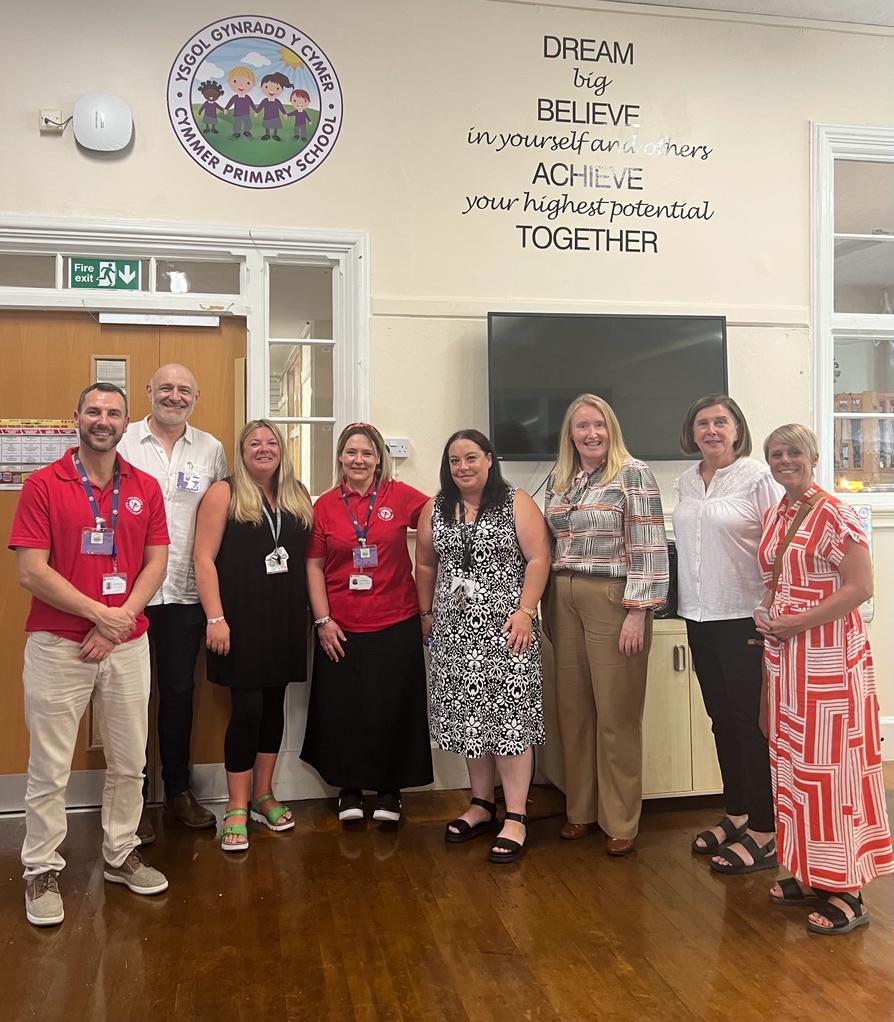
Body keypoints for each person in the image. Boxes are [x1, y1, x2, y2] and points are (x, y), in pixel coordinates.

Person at [9, 382, 171, 927]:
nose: (104, 420)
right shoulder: (42, 484)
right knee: (50, 766)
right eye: (94, 411)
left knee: (130, 760)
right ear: (76, 416)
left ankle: (121, 853)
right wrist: (101, 615)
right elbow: (31, 571)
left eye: (114, 413)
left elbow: (156, 562)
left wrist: (118, 620)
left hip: (127, 643)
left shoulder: (145, 486)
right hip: (59, 644)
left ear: (127, 422)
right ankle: (41, 868)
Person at [755, 424, 893, 934]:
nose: (784, 460)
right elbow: (777, 581)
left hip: (831, 661)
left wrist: (798, 621)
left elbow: (861, 586)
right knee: (796, 769)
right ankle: (814, 874)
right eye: (775, 454)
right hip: (788, 659)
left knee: (833, 769)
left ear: (813, 457)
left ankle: (849, 890)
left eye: (793, 452)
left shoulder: (835, 512)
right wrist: (767, 615)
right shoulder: (776, 513)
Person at [415, 429, 550, 863]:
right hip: (454, 633)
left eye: (471, 457)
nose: (463, 467)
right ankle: (481, 803)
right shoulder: (436, 507)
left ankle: (516, 815)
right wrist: (426, 613)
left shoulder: (516, 501)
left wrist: (525, 611)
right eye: (454, 460)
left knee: (509, 721)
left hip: (508, 631)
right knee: (470, 719)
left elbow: (539, 558)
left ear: (489, 459)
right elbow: (425, 563)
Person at [543, 394, 668, 856]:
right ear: (570, 434)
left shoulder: (633, 473)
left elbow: (650, 543)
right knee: (572, 711)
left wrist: (638, 611)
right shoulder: (561, 479)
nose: (590, 433)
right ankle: (580, 809)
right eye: (581, 426)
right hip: (563, 595)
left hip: (613, 598)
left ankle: (619, 819)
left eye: (598, 424)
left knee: (616, 714)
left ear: (611, 428)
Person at [301, 423, 433, 824]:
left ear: (379, 459)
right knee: (344, 710)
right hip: (340, 625)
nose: (358, 460)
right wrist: (322, 620)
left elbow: (440, 517)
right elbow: (313, 566)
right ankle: (350, 788)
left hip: (397, 619)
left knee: (392, 707)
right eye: (351, 452)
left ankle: (390, 789)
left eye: (367, 453)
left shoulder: (400, 495)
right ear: (340, 458)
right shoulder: (325, 505)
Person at [118, 364, 228, 843]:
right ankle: (132, 801)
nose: (174, 396)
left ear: (195, 397)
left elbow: (219, 517)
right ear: (149, 391)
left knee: (180, 693)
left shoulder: (211, 449)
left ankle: (178, 791)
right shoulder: (122, 441)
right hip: (128, 596)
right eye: (166, 387)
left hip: (184, 593)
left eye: (185, 389)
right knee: (128, 698)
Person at [672, 395, 782, 865]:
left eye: (721, 422)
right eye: (703, 423)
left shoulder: (757, 477)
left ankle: (765, 829)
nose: (712, 430)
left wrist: (772, 605)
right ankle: (737, 813)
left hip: (743, 616)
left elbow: (780, 546)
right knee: (720, 720)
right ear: (691, 432)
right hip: (698, 616)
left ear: (737, 429)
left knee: (749, 725)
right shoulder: (685, 481)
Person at [194, 420, 312, 851]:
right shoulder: (223, 493)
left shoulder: (297, 494)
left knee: (273, 707)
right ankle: (236, 806)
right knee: (247, 709)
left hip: (285, 620)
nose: (264, 449)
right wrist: (215, 618)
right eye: (254, 443)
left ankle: (263, 795)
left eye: (271, 442)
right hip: (238, 622)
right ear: (241, 452)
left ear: (282, 449)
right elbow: (203, 559)